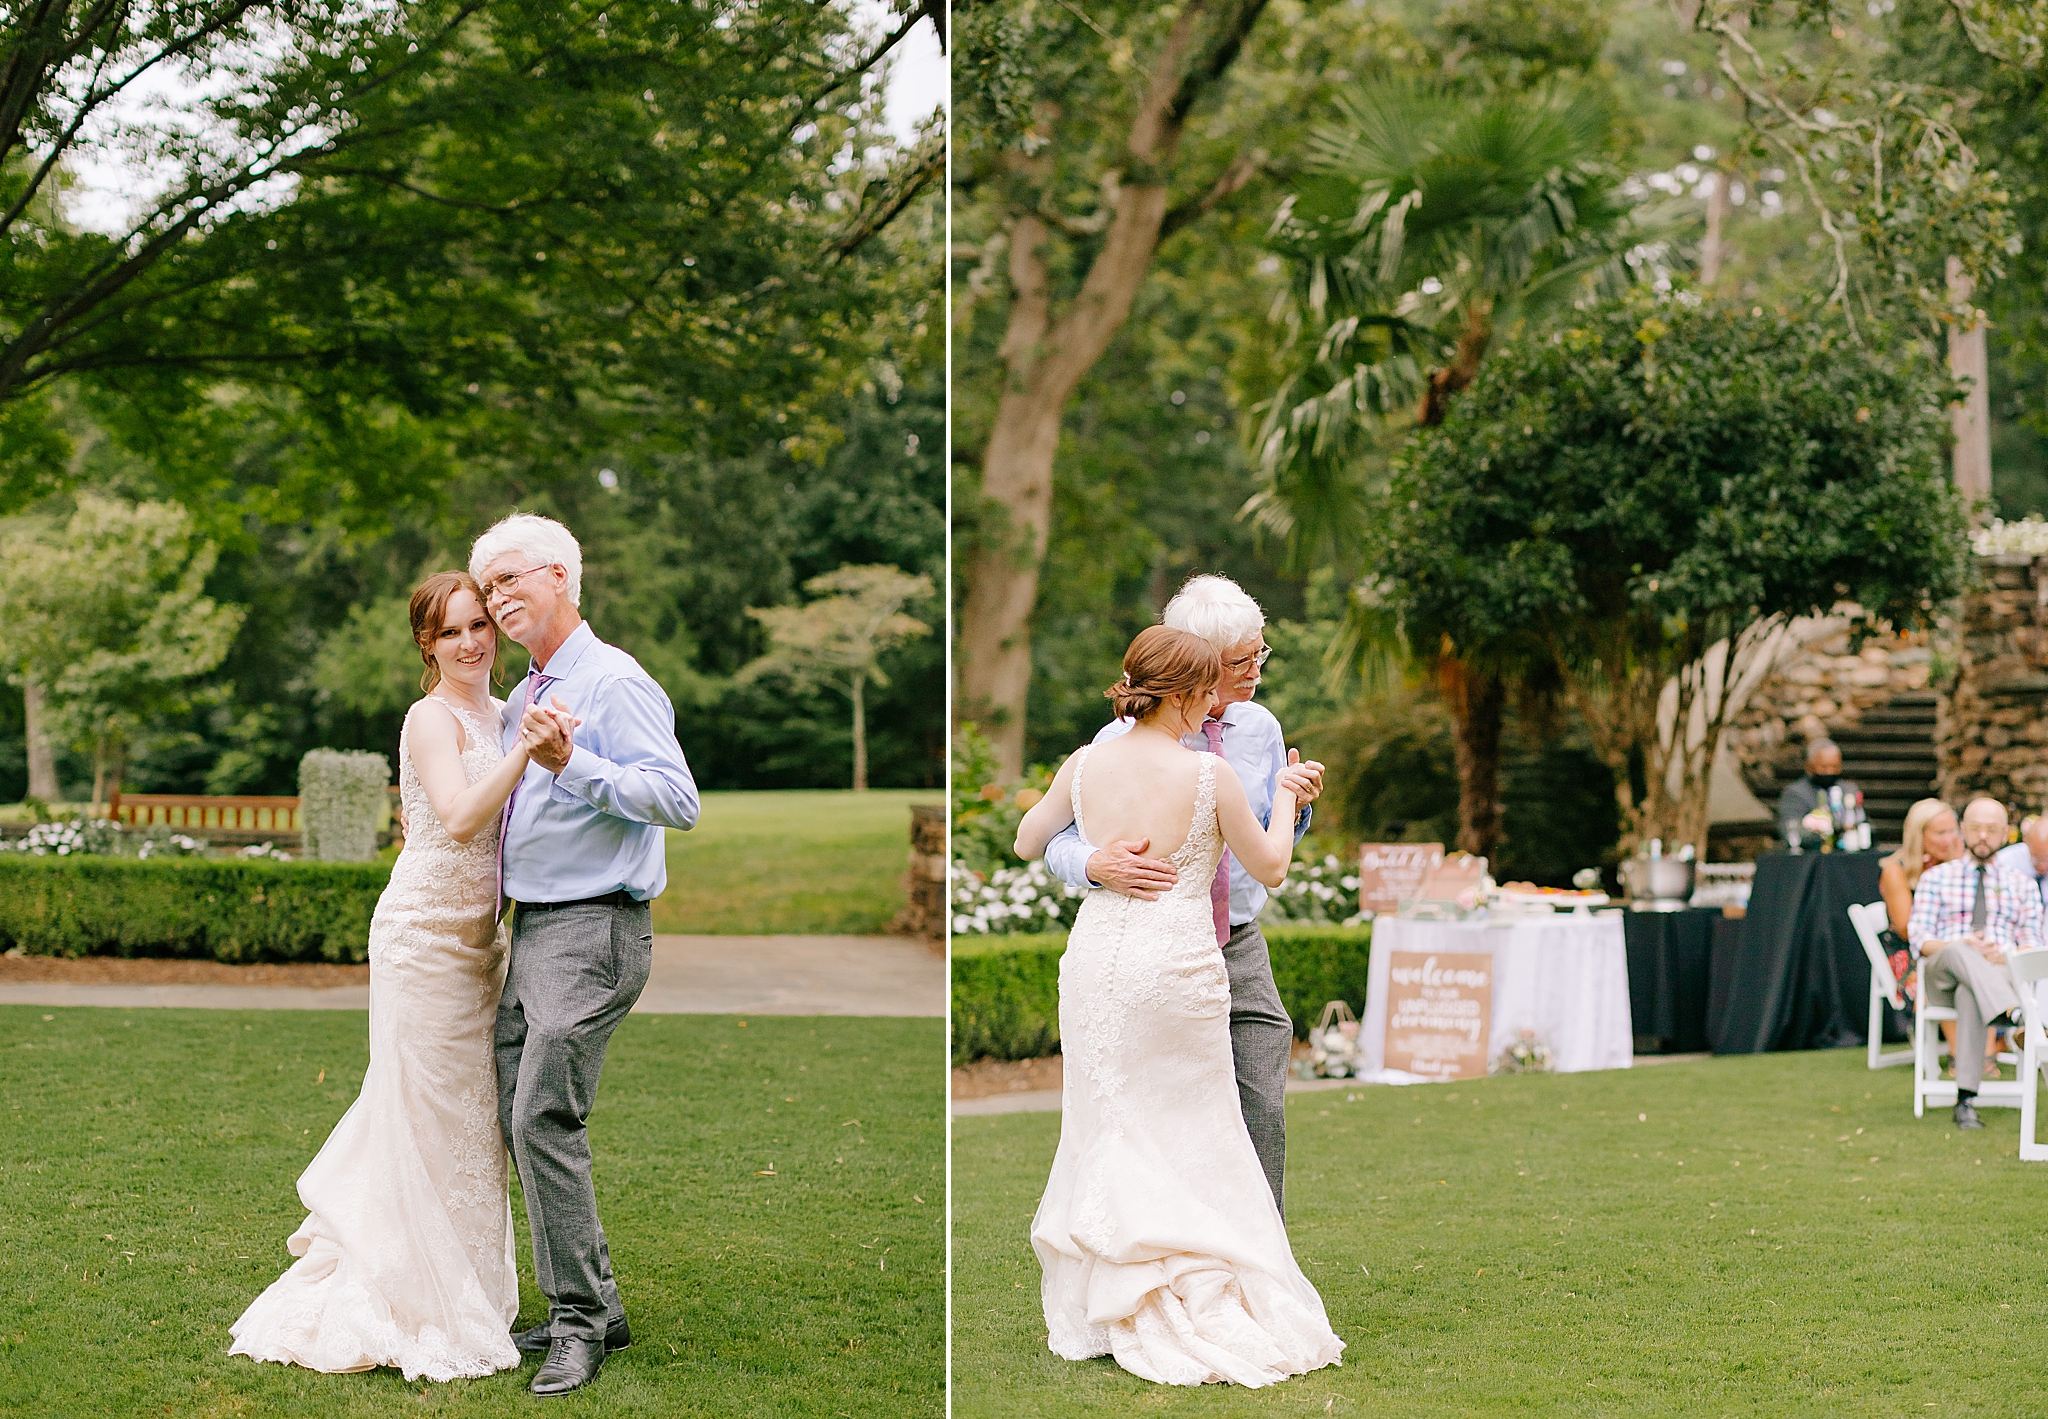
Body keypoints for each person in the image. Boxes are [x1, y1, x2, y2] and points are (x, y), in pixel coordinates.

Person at [230, 572, 561, 1381]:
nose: (472, 642)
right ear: (428, 644)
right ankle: (405, 1298)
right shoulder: (429, 716)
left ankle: (470, 1293)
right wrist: (522, 752)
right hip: (419, 939)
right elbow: (453, 815)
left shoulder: (505, 709)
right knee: (417, 1112)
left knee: (470, 1123)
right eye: (451, 631)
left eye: (480, 624)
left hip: (480, 943)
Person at [1016, 626, 1344, 1387]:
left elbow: (1030, 839)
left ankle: (1122, 1286)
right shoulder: (1206, 775)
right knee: (1193, 1125)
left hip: (1096, 961)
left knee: (1111, 1117)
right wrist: (1288, 799)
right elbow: (1271, 867)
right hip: (1175, 965)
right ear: (1191, 693)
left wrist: (1098, 858)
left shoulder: (1085, 760)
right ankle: (1190, 1282)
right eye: (1209, 694)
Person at [474, 514, 702, 1397]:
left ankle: (578, 1324)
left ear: (564, 575)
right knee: (519, 1114)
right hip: (534, 928)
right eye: (489, 587)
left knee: (543, 1117)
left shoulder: (612, 680)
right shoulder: (530, 687)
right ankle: (597, 1303)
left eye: (511, 579)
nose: (498, 599)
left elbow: (677, 799)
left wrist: (574, 764)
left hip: (594, 927)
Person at [1042, 574, 1322, 1216]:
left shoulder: (1259, 728)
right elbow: (1052, 837)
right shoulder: (1117, 741)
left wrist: (1296, 804)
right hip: (1153, 949)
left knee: (1261, 1103)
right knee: (1162, 1112)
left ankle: (1260, 1260)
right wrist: (1095, 863)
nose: (1255, 671)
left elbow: (1264, 843)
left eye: (1261, 653)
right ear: (1190, 662)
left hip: (1238, 941)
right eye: (1239, 662)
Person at [1907, 797, 2044, 1129]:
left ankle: (1965, 1100)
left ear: (2005, 834)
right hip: (1943, 974)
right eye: (1976, 828)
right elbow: (1919, 939)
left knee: (1972, 990)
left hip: (1995, 974)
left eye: (1992, 830)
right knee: (1959, 951)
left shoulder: (2021, 884)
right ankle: (2018, 1014)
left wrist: (2008, 951)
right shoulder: (1937, 878)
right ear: (1963, 830)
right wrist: (1961, 945)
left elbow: (2033, 940)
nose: (1983, 836)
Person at [1776, 739, 1863, 848]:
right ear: (1809, 766)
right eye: (1824, 767)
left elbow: (1861, 822)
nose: (1830, 772)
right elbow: (1790, 830)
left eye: (1835, 767)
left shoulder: (1849, 790)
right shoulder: (1795, 793)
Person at [1994, 814, 2048, 906]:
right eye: (2037, 859)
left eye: (2046, 859)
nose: (2043, 865)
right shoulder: (2004, 861)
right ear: (2026, 841)